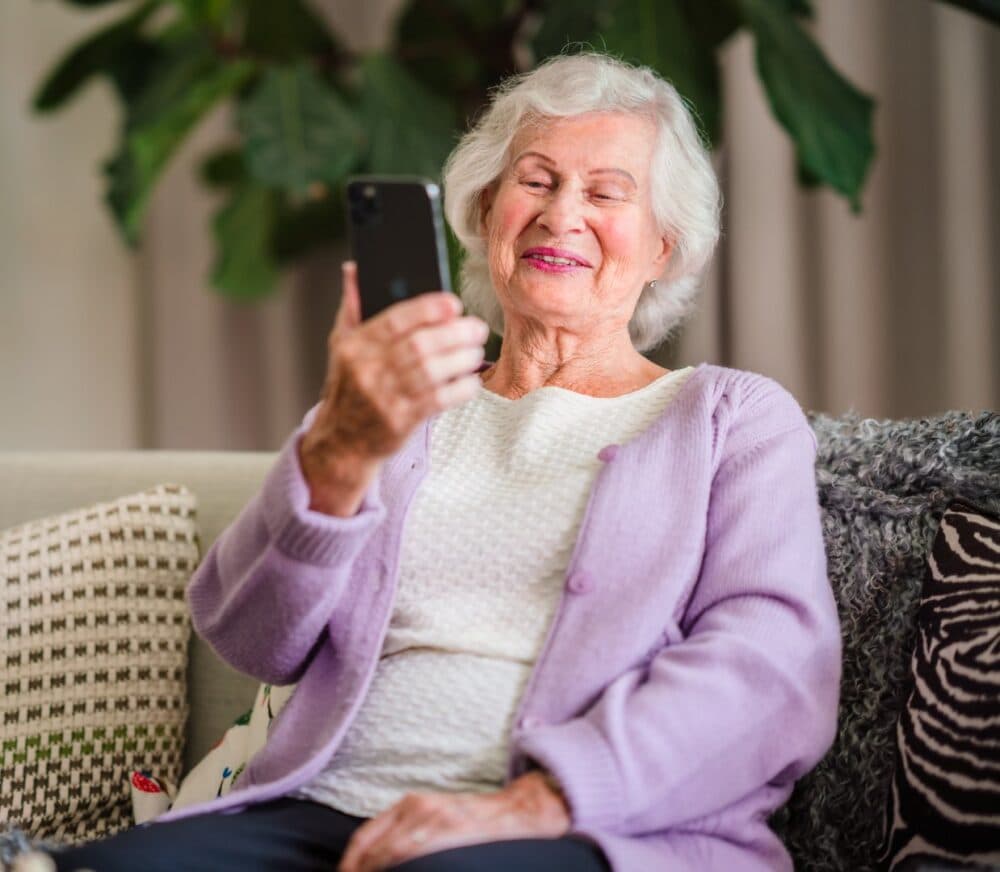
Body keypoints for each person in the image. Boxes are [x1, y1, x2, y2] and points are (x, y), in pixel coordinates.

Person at [52, 52, 841, 872]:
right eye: (535, 181)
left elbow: (770, 669)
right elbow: (250, 638)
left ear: (663, 249)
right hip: (320, 810)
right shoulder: (389, 405)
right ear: (486, 209)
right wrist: (341, 448)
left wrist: (540, 802)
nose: (561, 214)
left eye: (607, 193)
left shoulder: (729, 420)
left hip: (583, 829)